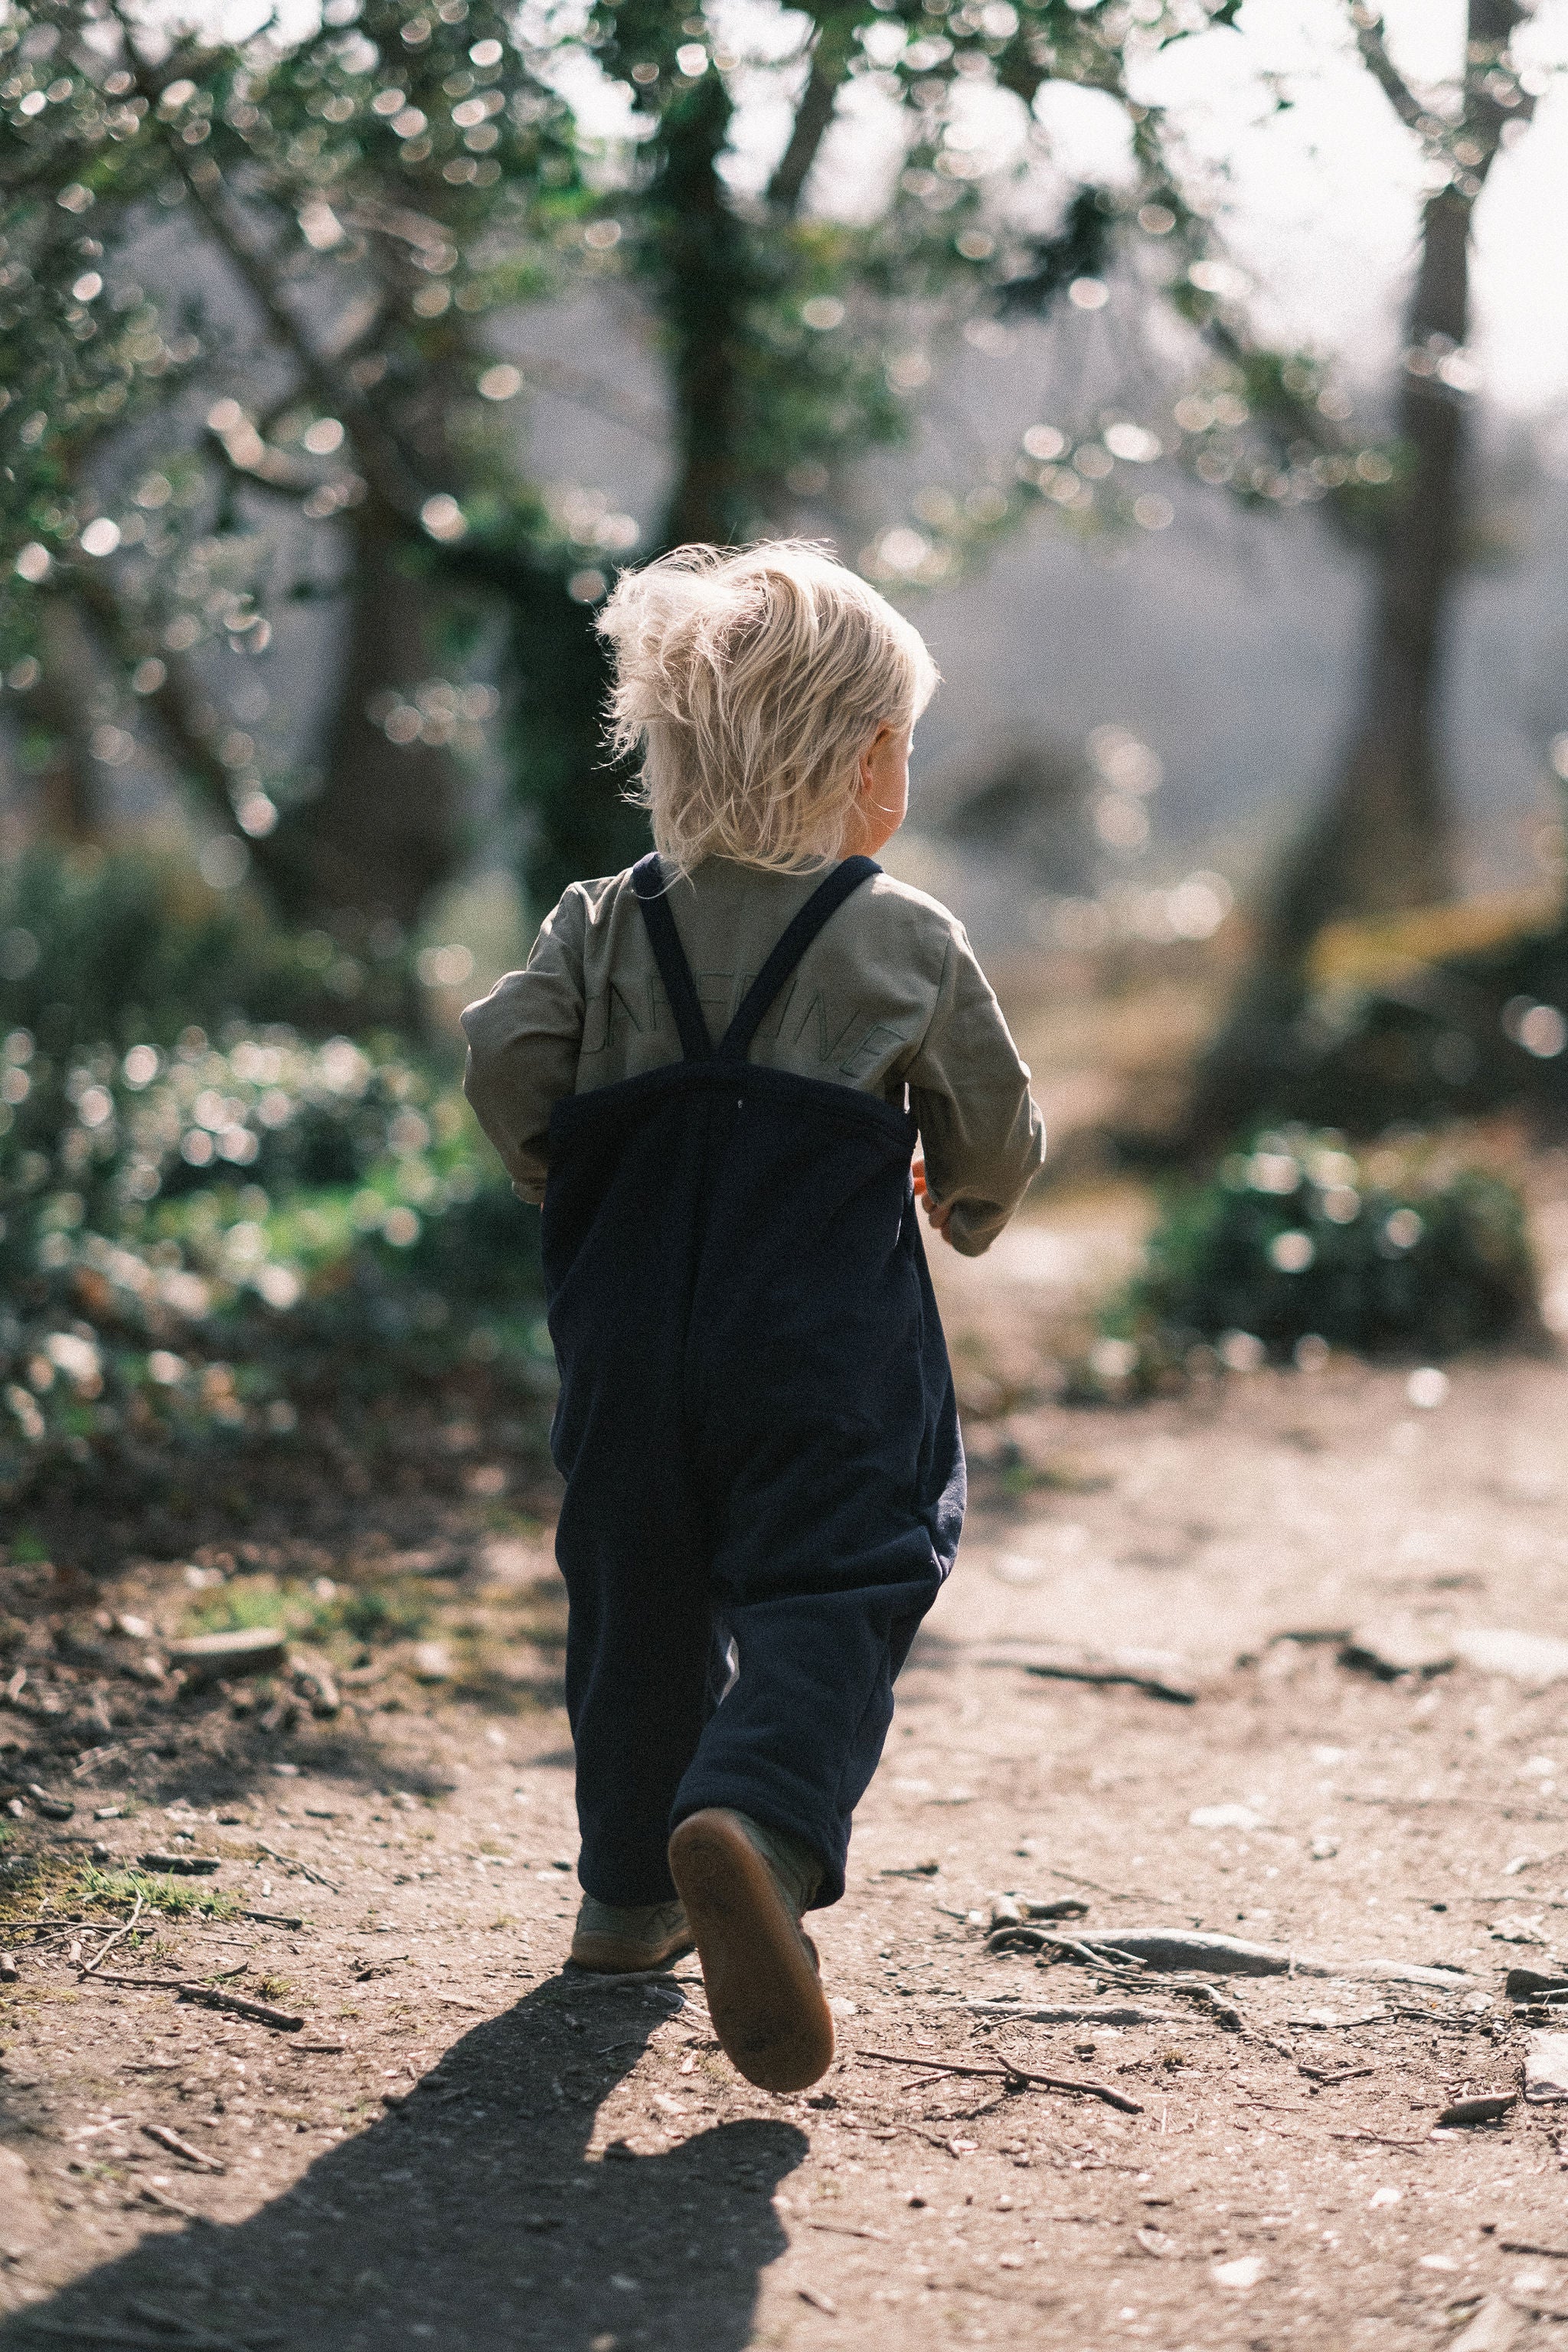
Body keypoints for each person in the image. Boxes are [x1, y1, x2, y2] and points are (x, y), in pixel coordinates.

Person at [461, 541, 1044, 2092]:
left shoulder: (599, 922)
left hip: (628, 1334)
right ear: (868, 766)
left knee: (633, 1583)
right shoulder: (900, 936)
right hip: (821, 1347)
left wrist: (559, 1171)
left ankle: (627, 1895)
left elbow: (504, 1063)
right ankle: (762, 1822)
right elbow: (993, 1123)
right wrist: (967, 1206)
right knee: (841, 1569)